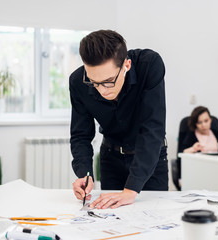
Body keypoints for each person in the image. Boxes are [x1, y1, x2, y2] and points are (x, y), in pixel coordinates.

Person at [70, 30, 168, 210]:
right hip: (111, 158)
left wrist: (131, 190)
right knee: (112, 221)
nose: (102, 90)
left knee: (154, 217)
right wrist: (84, 174)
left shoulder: (149, 65)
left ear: (126, 65)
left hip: (150, 157)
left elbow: (152, 129)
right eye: (94, 82)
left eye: (108, 81)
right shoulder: (77, 82)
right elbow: (80, 135)